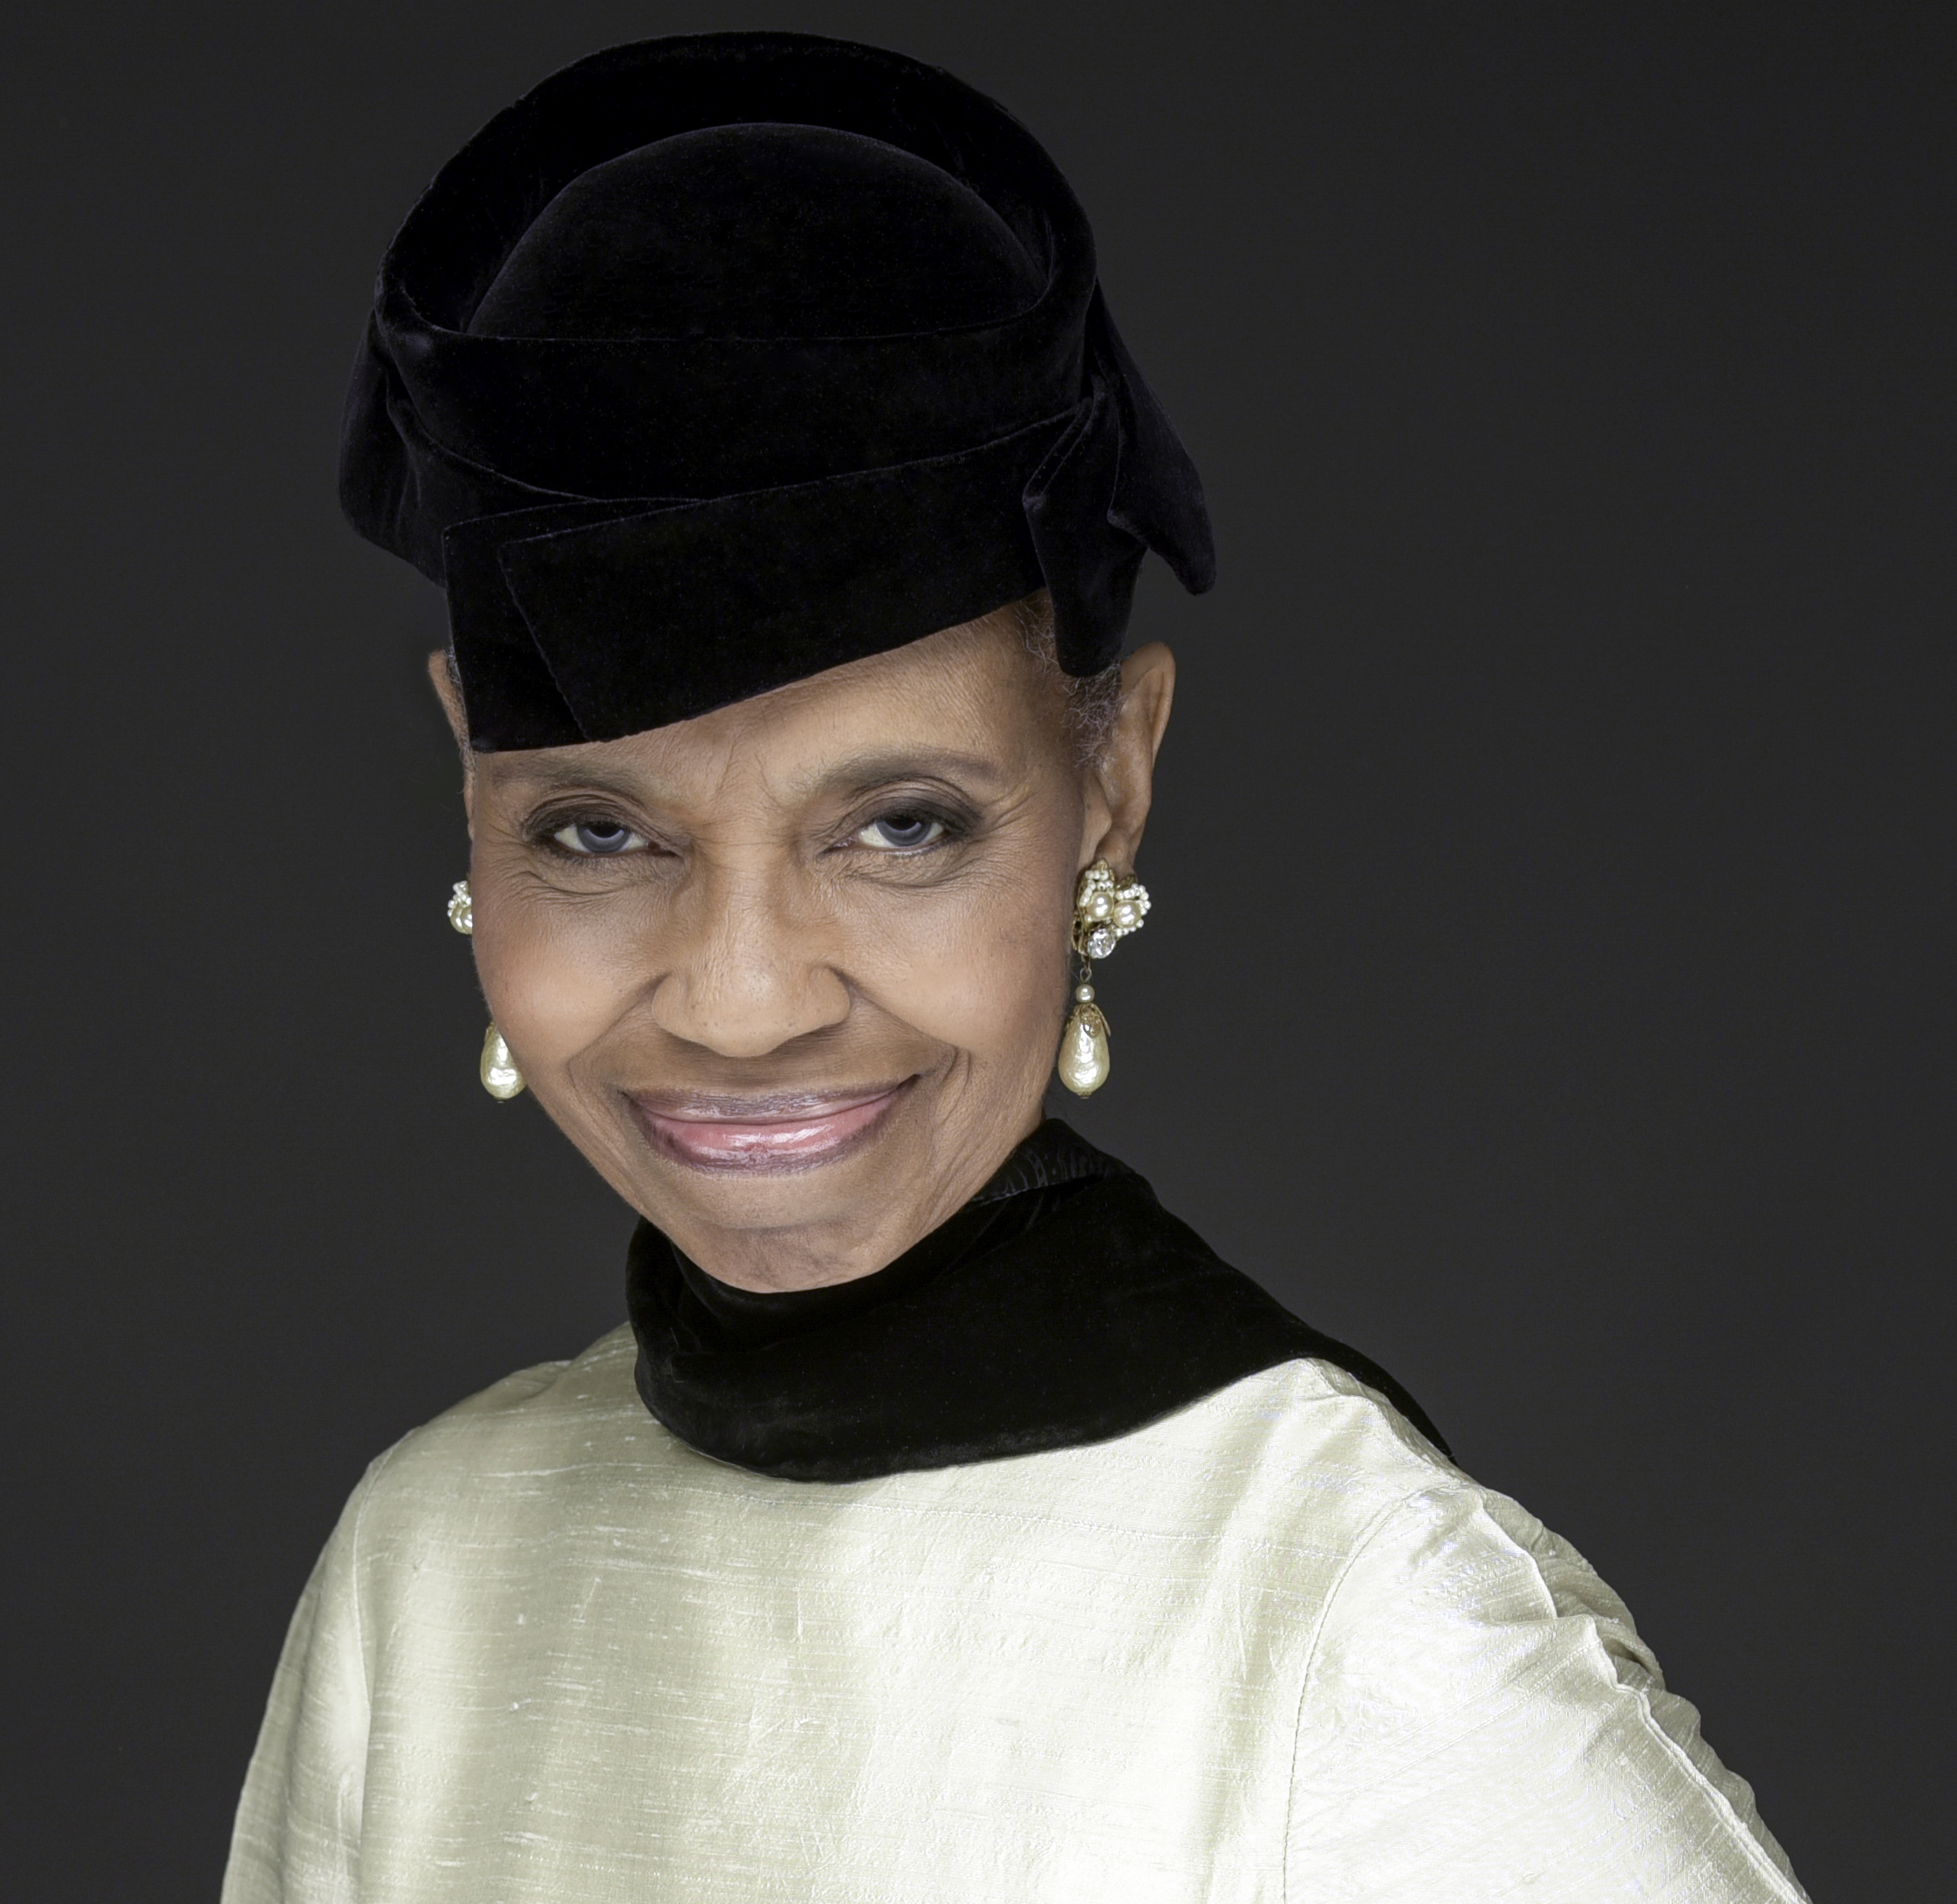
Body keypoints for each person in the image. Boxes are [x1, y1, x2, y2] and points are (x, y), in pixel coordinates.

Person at [224, 31, 1808, 1902]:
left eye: (898, 823)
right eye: (597, 830)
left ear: (1108, 784)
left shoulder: (1354, 1627)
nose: (742, 999)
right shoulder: (428, 1573)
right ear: (467, 795)